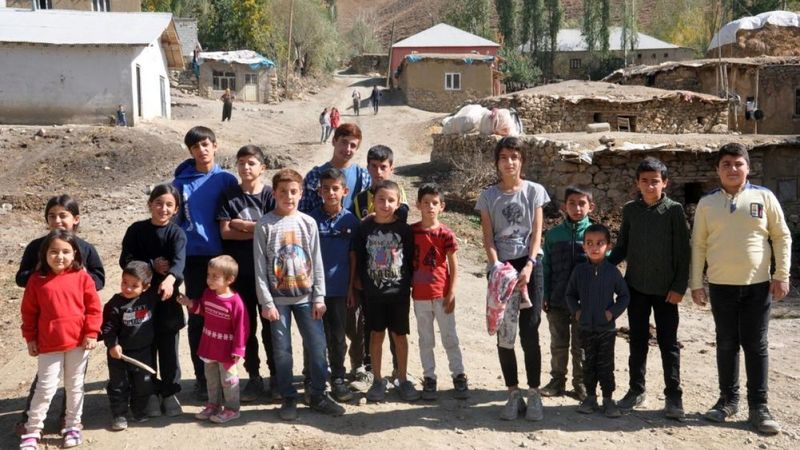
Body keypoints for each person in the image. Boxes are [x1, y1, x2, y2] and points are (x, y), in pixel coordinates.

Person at [691, 143, 791, 435]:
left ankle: (759, 407)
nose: (732, 169)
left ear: (748, 167)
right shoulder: (707, 203)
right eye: (726, 164)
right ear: (717, 169)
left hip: (758, 286)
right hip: (721, 287)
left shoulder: (764, 197)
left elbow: (781, 237)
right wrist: (696, 282)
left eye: (738, 163)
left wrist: (781, 274)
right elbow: (698, 244)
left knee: (756, 345)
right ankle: (727, 401)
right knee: (725, 343)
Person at [254, 169, 346, 420]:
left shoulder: (308, 223)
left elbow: (316, 261)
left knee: (317, 346)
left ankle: (317, 394)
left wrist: (319, 297)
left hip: (307, 298)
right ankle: (288, 398)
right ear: (274, 193)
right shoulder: (265, 224)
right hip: (278, 302)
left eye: (293, 191)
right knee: (282, 350)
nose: (288, 196)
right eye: (282, 192)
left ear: (301, 193)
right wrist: (266, 302)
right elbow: (260, 267)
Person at [14, 195, 105, 436]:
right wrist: (38, 273)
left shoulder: (85, 247)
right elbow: (21, 277)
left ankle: (69, 420)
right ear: (46, 220)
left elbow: (99, 278)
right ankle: (29, 421)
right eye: (52, 216)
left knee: (74, 380)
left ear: (75, 219)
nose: (58, 220)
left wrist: (82, 279)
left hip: (77, 326)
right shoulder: (37, 247)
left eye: (63, 215)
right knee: (45, 380)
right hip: (49, 325)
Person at [607, 157, 690, 419]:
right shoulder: (631, 210)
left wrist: (679, 287)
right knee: (638, 341)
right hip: (637, 289)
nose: (650, 185)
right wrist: (601, 266)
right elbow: (621, 246)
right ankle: (636, 390)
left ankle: (673, 397)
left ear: (664, 183)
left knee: (668, 344)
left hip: (667, 291)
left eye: (655, 181)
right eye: (645, 181)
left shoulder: (674, 210)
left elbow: (683, 253)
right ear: (637, 183)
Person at [475, 136, 550, 421]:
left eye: (515, 157)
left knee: (530, 331)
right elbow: (488, 238)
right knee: (505, 335)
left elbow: (536, 233)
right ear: (497, 162)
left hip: (530, 266)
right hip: (501, 269)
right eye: (504, 157)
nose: (510, 162)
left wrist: (529, 266)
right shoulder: (488, 197)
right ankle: (512, 393)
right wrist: (497, 269)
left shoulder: (535, 192)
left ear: (522, 161)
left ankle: (534, 394)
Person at [172, 126, 238, 401]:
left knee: (227, 315)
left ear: (215, 145)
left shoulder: (226, 179)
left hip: (223, 257)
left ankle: (230, 376)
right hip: (194, 257)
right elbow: (173, 220)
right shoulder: (180, 182)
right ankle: (202, 377)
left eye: (206, 144)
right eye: (195, 146)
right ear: (190, 151)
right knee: (200, 316)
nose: (202, 150)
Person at [119, 184, 187, 416]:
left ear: (176, 209)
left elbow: (179, 262)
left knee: (169, 349)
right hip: (141, 300)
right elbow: (126, 259)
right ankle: (149, 393)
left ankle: (170, 393)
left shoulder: (177, 234)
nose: (163, 208)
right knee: (144, 348)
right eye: (158, 203)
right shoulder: (136, 230)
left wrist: (170, 279)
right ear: (150, 205)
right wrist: (150, 265)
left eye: (169, 205)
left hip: (168, 302)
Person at [217, 145, 277, 403]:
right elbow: (224, 232)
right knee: (246, 328)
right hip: (239, 274)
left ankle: (277, 377)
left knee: (272, 327)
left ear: (262, 167)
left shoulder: (271, 196)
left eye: (252, 162)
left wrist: (242, 224)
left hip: (268, 273)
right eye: (241, 162)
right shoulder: (229, 196)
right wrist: (257, 227)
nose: (246, 167)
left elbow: (275, 230)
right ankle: (253, 377)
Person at [353, 180, 420, 403]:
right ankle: (378, 379)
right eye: (381, 199)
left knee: (400, 335)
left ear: (399, 202)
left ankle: (402, 378)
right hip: (373, 293)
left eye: (391, 200)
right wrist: (358, 283)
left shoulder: (404, 229)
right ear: (374, 201)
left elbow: (410, 258)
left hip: (399, 292)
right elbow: (359, 257)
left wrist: (409, 282)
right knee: (376, 335)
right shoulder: (364, 228)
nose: (385, 204)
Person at [349, 145, 409, 385]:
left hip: (395, 276)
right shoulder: (360, 199)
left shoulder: (398, 193)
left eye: (383, 167)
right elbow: (357, 236)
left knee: (398, 328)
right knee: (369, 324)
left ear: (391, 168)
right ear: (368, 167)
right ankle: (370, 369)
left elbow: (400, 222)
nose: (378, 171)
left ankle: (399, 370)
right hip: (369, 274)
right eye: (374, 166)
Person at [565, 224, 630, 418]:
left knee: (606, 365)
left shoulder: (612, 272)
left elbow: (624, 296)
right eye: (589, 243)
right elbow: (569, 295)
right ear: (583, 246)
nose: (594, 247)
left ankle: (608, 400)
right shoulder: (579, 271)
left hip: (606, 331)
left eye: (600, 243)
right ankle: (590, 397)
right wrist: (577, 312)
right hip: (584, 329)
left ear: (608, 246)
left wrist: (612, 313)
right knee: (587, 364)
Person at [411, 183, 468, 401]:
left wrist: (451, 292)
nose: (430, 207)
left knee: (449, 337)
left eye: (435, 203)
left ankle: (459, 375)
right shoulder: (412, 232)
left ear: (442, 206)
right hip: (420, 296)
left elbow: (454, 266)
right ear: (418, 205)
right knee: (425, 339)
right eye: (425, 203)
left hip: (442, 295)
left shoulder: (446, 234)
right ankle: (429, 377)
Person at [308, 168, 360, 403]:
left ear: (344, 191)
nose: (330, 192)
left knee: (338, 336)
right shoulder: (309, 220)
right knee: (315, 336)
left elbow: (353, 258)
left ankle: (338, 377)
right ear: (319, 191)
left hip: (339, 290)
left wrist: (351, 289)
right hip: (313, 291)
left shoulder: (351, 221)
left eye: (335, 188)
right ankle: (313, 378)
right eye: (326, 188)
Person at [540, 186, 595, 402]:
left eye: (582, 203)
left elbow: (605, 266)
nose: (577, 208)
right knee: (558, 343)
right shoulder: (554, 235)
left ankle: (581, 383)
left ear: (591, 206)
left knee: (581, 345)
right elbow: (545, 268)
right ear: (564, 206)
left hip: (585, 302)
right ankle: (557, 381)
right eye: (572, 203)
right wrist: (545, 293)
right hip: (558, 299)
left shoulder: (595, 234)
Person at [178, 256, 248, 424]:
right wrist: (189, 303)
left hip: (226, 350)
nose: (209, 279)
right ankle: (213, 405)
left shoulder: (235, 302)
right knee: (211, 378)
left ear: (229, 279)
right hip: (209, 345)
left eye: (215, 276)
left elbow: (242, 328)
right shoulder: (208, 293)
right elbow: (203, 309)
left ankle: (232, 409)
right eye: (209, 275)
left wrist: (238, 349)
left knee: (228, 380)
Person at [102, 261, 160, 431]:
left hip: (143, 352)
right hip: (119, 355)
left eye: (134, 285)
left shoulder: (149, 298)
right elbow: (108, 328)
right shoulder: (114, 304)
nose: (127, 288)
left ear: (146, 287)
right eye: (124, 283)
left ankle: (139, 411)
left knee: (143, 384)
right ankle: (119, 414)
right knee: (119, 384)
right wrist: (112, 344)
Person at [299, 123, 371, 213]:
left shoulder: (363, 176)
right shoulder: (315, 175)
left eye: (353, 145)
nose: (347, 149)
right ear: (334, 141)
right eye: (344, 142)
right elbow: (303, 211)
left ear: (357, 149)